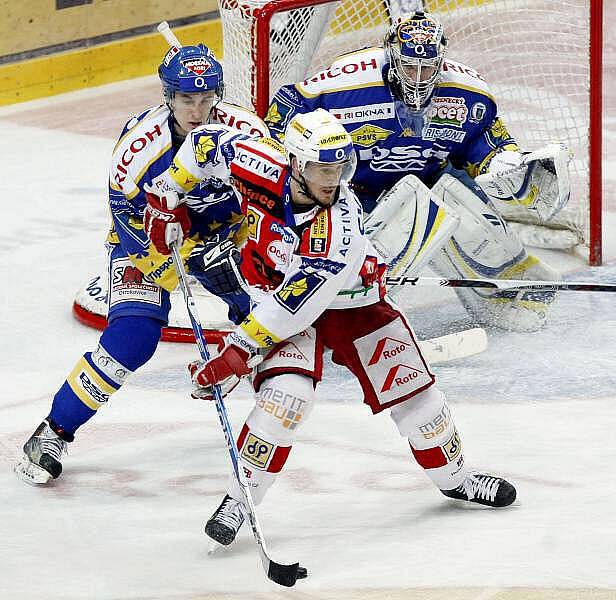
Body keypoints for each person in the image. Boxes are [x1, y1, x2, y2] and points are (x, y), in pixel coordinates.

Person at [161, 108, 516, 547]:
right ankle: (240, 500)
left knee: (421, 404)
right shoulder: (255, 163)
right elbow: (203, 145)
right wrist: (168, 196)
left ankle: (456, 479)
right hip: (274, 294)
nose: (333, 179)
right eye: (320, 168)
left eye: (339, 167)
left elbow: (294, 309)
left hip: (351, 306)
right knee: (284, 402)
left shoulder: (337, 231)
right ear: (294, 162)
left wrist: (235, 355)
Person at [14, 35, 267, 485]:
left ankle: (268, 434)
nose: (197, 109)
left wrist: (237, 249)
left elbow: (269, 202)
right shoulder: (138, 147)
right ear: (169, 96)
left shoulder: (245, 134)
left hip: (228, 239)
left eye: (206, 98)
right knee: (132, 337)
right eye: (187, 98)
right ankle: (53, 431)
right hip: (151, 245)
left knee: (274, 324)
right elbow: (125, 215)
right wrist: (176, 261)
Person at [263, 11, 573, 332]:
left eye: (428, 69)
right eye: (410, 67)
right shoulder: (346, 83)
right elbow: (284, 112)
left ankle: (504, 294)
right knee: (362, 253)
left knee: (459, 209)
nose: (419, 79)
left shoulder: (467, 93)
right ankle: (343, 312)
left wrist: (505, 163)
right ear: (392, 59)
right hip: (351, 194)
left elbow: (483, 141)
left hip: (429, 182)